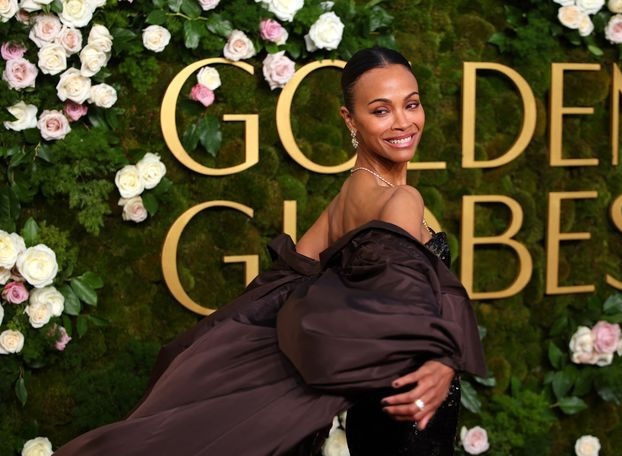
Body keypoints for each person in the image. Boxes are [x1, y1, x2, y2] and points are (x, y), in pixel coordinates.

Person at [55, 47, 486, 456]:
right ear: (349, 120)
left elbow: (283, 290)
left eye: (411, 104)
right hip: (411, 408)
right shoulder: (401, 200)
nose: (402, 122)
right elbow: (396, 314)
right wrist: (445, 358)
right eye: (380, 110)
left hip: (378, 411)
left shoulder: (344, 200)